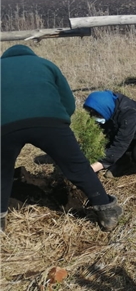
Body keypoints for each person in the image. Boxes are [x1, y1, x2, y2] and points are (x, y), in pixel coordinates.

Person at [1, 44, 122, 232]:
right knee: (77, 167)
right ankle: (107, 212)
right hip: (50, 122)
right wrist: (60, 122)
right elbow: (67, 101)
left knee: (2, 173)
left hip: (4, 127)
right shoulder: (45, 65)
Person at [83, 90, 136, 177]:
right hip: (130, 135)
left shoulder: (128, 112)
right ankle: (124, 160)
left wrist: (90, 169)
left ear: (105, 108)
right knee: (106, 145)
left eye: (97, 115)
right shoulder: (107, 108)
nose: (94, 117)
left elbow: (121, 143)